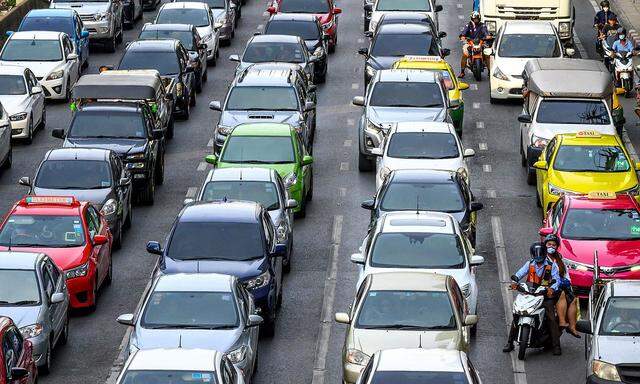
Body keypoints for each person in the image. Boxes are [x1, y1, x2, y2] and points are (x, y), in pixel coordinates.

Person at [502, 242, 563, 356]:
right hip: (529, 293)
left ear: (545, 254)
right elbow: (519, 274)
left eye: (541, 256)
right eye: (536, 256)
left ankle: (556, 345)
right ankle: (510, 343)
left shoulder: (552, 265)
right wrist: (515, 281)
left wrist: (551, 289)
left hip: (544, 294)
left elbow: (557, 280)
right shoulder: (529, 264)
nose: (538, 259)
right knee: (517, 313)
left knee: (551, 317)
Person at [543, 234, 580, 339]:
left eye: (554, 245)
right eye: (549, 244)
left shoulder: (559, 258)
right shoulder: (541, 257)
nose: (551, 247)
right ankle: (562, 321)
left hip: (560, 285)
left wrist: (568, 283)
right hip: (546, 286)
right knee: (562, 294)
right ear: (545, 245)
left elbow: (566, 274)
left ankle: (572, 327)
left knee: (573, 299)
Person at [458, 11, 491, 78]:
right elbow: (463, 33)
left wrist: (488, 36)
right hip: (470, 43)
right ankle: (462, 72)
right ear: (472, 19)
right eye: (474, 19)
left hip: (481, 42)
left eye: (477, 19)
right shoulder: (468, 25)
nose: (476, 20)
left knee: (487, 54)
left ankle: (490, 71)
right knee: (465, 54)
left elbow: (486, 33)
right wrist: (463, 37)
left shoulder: (483, 25)